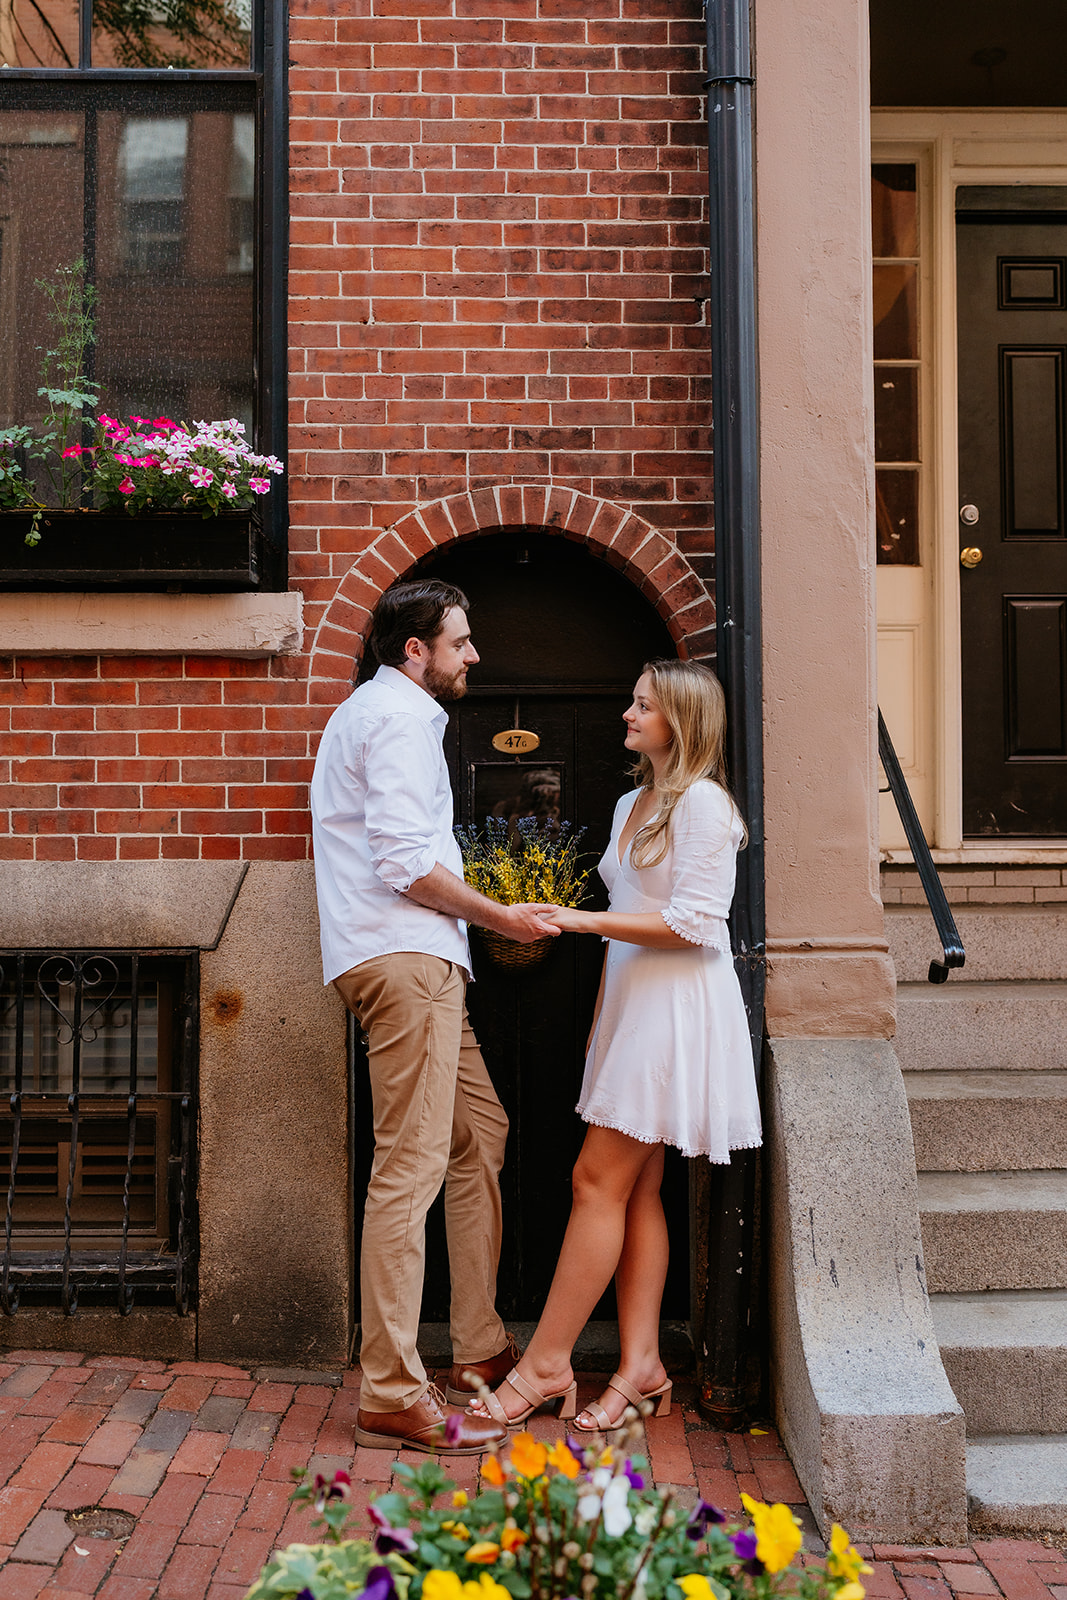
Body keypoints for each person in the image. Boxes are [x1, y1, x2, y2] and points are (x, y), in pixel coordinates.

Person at [468, 658, 762, 1432]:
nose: (627, 715)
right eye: (630, 701)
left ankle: (543, 1366)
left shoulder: (702, 805)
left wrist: (578, 920)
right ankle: (640, 1364)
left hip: (677, 1009)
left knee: (593, 1181)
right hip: (630, 1007)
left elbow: (694, 925)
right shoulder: (635, 800)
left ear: (681, 721)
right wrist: (603, 1021)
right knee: (631, 1187)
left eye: (642, 705)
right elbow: (636, 909)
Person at [310, 578, 559, 1453]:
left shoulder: (382, 716)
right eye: (461, 642)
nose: (473, 655)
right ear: (415, 651)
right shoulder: (399, 719)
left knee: (475, 1133)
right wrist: (506, 916)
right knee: (408, 1169)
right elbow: (405, 862)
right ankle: (389, 1390)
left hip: (418, 961)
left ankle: (478, 1344)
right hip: (405, 960)